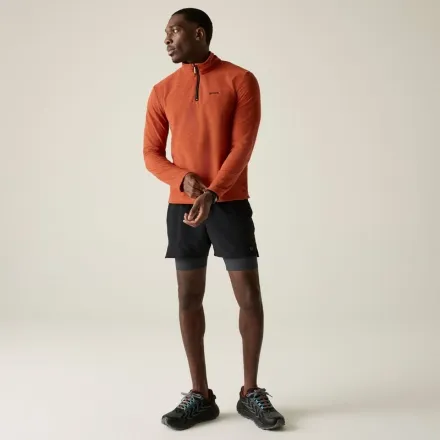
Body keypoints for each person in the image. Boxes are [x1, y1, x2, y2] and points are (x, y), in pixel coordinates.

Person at [143, 7, 285, 431]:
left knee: (249, 297)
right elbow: (151, 153)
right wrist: (184, 180)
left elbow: (243, 145)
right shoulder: (162, 90)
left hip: (229, 204)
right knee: (188, 299)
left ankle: (251, 392)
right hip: (182, 206)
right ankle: (200, 395)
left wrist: (213, 192)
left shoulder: (240, 79)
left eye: (174, 31)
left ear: (199, 33)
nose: (167, 39)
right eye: (166, 33)